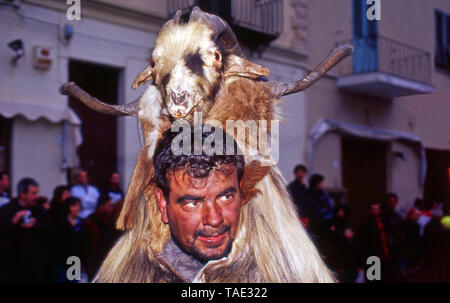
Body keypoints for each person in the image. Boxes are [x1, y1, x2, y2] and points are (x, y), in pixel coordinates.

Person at [93, 126, 334, 282]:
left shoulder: (284, 271)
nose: (215, 219)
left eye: (226, 197)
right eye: (192, 203)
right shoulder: (127, 275)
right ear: (163, 204)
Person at [0, 177, 51, 282]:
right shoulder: (7, 210)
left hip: (35, 264)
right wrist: (14, 221)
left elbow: (50, 230)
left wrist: (36, 224)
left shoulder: (39, 210)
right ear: (23, 194)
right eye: (33, 193)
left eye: (37, 193)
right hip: (13, 264)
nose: (36, 197)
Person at [51, 197, 89, 282]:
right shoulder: (60, 223)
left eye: (78, 206)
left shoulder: (82, 223)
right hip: (62, 260)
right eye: (74, 206)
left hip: (75, 260)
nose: (77, 208)